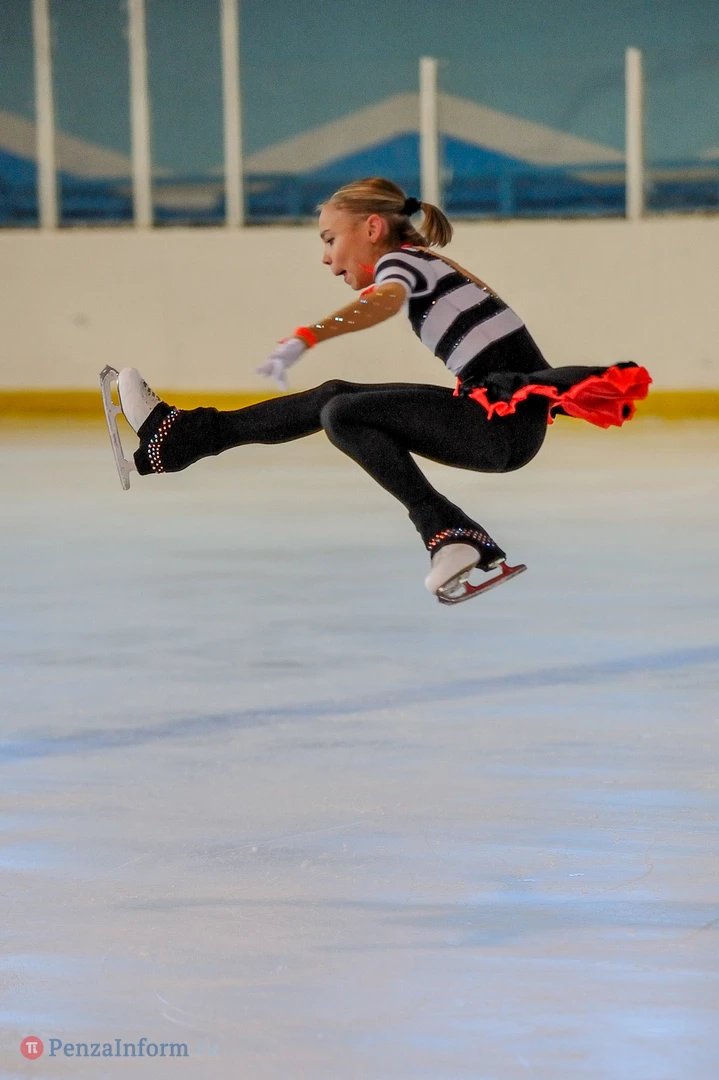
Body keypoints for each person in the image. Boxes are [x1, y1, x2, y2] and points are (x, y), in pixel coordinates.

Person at [101, 177, 651, 604]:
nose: (326, 258)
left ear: (370, 228)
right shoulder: (424, 262)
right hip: (495, 419)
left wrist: (309, 335)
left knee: (343, 413)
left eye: (329, 240)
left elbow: (382, 301)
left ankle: (447, 533)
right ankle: (178, 437)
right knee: (333, 397)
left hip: (498, 426)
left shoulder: (403, 264)